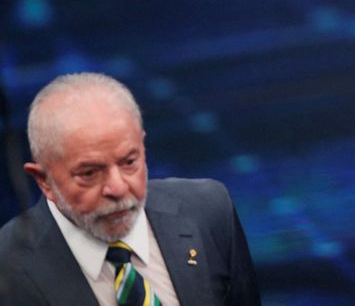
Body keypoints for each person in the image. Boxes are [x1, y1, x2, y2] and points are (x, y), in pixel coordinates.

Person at [0, 72, 260, 305]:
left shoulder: (209, 210)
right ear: (43, 180)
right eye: (89, 173)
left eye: (129, 162)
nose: (118, 187)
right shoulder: (7, 268)